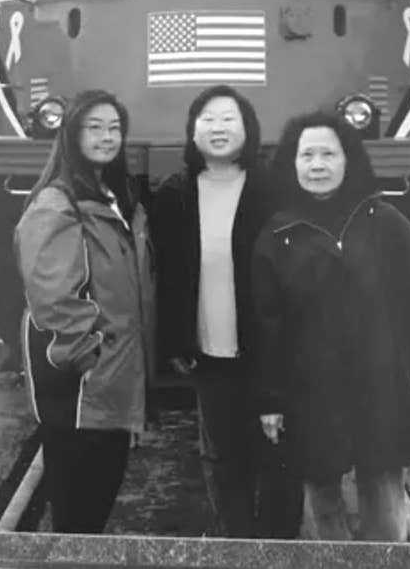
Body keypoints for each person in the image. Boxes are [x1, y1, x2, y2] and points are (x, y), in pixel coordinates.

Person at [252, 110, 410, 542]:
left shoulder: (384, 220)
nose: (317, 165)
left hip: (380, 379)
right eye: (307, 155)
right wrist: (271, 398)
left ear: (348, 160)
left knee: (382, 489)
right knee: (321, 491)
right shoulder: (277, 233)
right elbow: (267, 323)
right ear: (292, 162)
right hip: (310, 387)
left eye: (328, 153)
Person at [151, 84, 304, 540]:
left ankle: (277, 545)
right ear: (192, 132)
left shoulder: (275, 190)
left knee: (279, 459)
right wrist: (175, 341)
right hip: (210, 355)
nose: (218, 128)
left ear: (248, 129)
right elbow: (169, 276)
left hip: (270, 353)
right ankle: (233, 540)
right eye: (208, 119)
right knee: (222, 459)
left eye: (228, 119)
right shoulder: (174, 193)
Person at [14, 89, 156, 535]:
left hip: (110, 383)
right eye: (94, 127)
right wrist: (88, 360)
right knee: (79, 517)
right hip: (83, 392)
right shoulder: (58, 203)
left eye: (115, 128)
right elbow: (55, 299)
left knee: (94, 510)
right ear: (72, 134)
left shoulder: (113, 195)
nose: (107, 137)